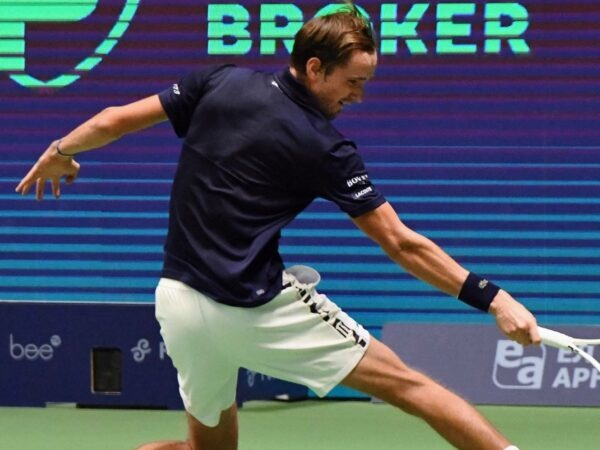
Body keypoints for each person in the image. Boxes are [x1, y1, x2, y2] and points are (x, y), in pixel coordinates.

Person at [16, 5, 539, 450]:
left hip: (176, 301)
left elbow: (112, 119)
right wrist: (493, 299)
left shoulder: (219, 81)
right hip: (252, 308)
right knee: (409, 385)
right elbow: (401, 243)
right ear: (315, 68)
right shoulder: (327, 147)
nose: (358, 96)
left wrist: (61, 150)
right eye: (353, 82)